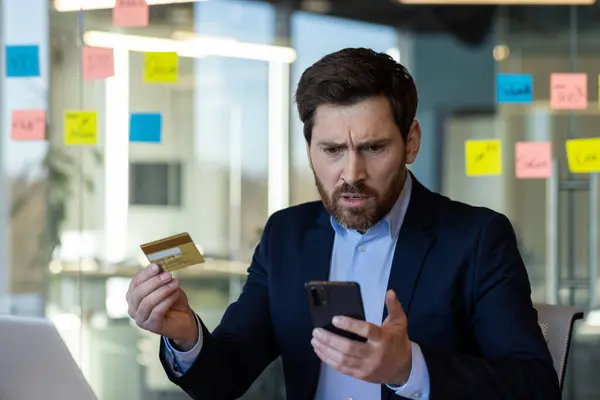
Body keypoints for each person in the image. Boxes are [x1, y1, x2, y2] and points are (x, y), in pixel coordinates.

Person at [126, 48, 560, 400]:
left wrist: (410, 368)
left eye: (373, 148)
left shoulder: (477, 238)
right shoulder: (286, 237)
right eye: (332, 150)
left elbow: (534, 386)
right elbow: (222, 380)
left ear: (411, 142)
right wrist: (185, 335)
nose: (351, 173)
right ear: (309, 146)